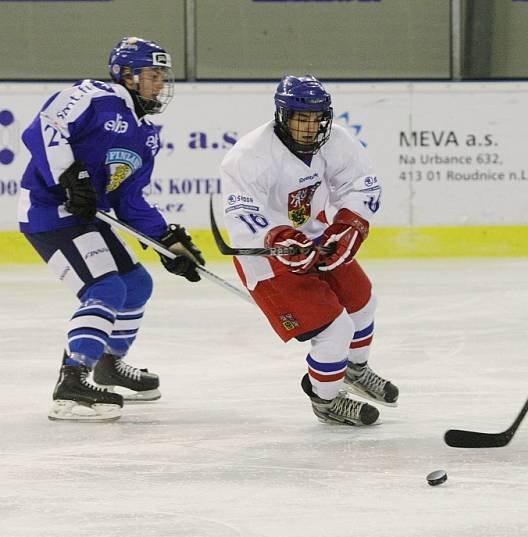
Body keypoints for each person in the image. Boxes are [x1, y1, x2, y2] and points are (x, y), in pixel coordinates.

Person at [18, 37, 205, 421]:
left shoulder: (146, 134)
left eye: (161, 77)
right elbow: (43, 128)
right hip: (50, 211)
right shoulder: (94, 95)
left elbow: (130, 201)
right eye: (152, 76)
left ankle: (107, 365)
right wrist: (71, 176)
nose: (160, 85)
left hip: (88, 216)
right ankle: (71, 383)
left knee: (137, 285)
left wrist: (167, 242)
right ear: (127, 75)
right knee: (106, 288)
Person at [219, 75, 397, 426]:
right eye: (301, 118)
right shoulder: (249, 155)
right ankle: (325, 400)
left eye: (316, 118)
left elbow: (362, 182)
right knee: (334, 332)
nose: (309, 126)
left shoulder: (334, 140)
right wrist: (280, 239)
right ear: (282, 116)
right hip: (267, 259)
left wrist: (349, 227)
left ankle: (354, 371)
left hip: (317, 237)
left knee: (363, 301)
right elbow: (242, 214)